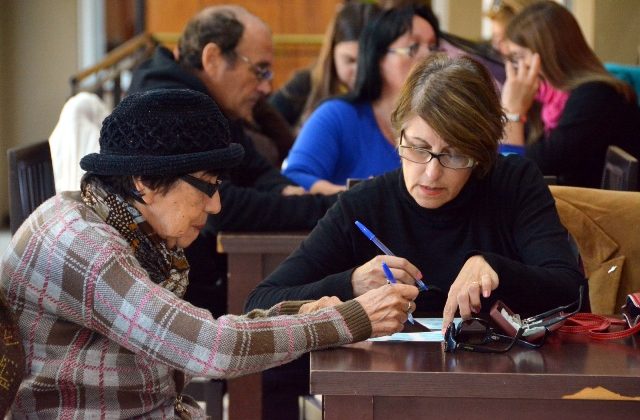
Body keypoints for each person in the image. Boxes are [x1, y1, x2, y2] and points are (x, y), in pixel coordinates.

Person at [0, 89, 417, 418]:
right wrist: (350, 318)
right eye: (207, 184)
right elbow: (212, 348)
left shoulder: (112, 223)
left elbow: (201, 334)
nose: (216, 205)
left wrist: (298, 315)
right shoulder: (84, 247)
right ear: (143, 180)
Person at [246, 54, 586, 333]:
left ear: (481, 153)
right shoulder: (364, 206)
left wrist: (493, 266)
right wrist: (350, 283)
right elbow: (260, 303)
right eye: (418, 148)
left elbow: (569, 290)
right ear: (398, 137)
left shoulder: (513, 182)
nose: (431, 172)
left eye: (454, 154)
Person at [129, 5, 338, 319]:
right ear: (212, 58)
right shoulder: (168, 104)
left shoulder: (206, 99)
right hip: (175, 300)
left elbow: (252, 166)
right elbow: (219, 207)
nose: (267, 86)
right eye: (260, 70)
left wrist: (285, 192)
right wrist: (324, 207)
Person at [283, 3, 441, 195]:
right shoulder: (337, 115)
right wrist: (357, 198)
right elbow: (294, 178)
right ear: (378, 57)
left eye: (433, 47)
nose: (428, 56)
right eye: (412, 47)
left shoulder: (442, 120)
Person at [499, 1, 640, 188]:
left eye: (519, 57)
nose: (516, 67)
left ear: (548, 54)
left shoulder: (597, 95)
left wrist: (512, 112)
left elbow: (535, 167)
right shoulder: (545, 99)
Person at [269, 1, 381, 130]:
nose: (360, 70)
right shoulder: (306, 84)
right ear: (332, 54)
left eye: (369, 59)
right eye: (350, 60)